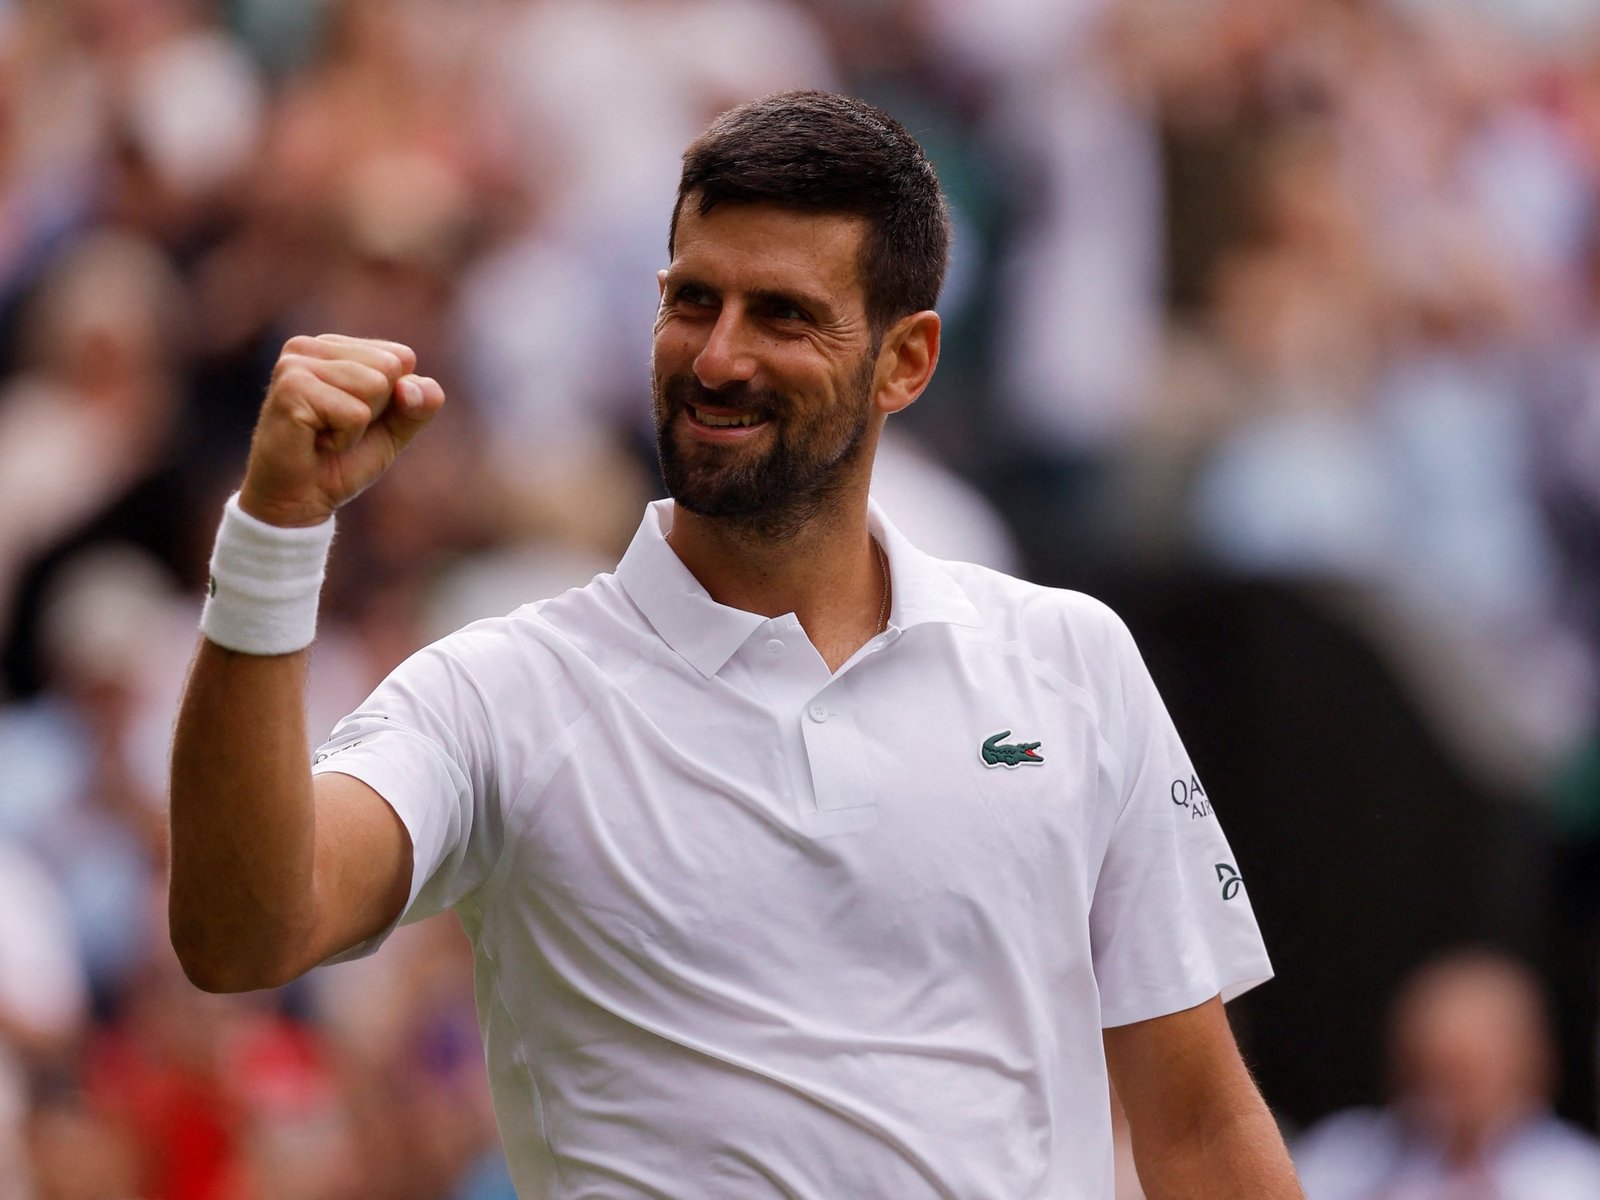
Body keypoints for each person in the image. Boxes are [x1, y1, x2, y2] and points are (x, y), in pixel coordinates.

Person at [168, 90, 1303, 1199]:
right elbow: (242, 935)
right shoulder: (500, 693)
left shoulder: (1071, 659)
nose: (716, 358)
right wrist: (275, 537)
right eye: (692, 301)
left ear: (906, 361)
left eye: (782, 316)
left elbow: (1201, 1125)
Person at [1294, 949, 1600, 1200]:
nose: (1449, 1101)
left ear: (1535, 1065)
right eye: (1429, 1072)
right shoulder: (1341, 1155)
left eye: (1469, 1075)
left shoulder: (1580, 1180)